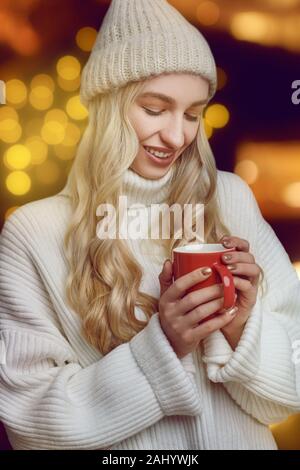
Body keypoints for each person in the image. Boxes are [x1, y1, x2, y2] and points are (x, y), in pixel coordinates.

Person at [0, 0, 300, 451]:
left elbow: (289, 389)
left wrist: (242, 327)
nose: (178, 136)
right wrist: (165, 344)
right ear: (108, 107)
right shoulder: (33, 231)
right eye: (156, 110)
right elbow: (32, 423)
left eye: (192, 114)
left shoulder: (232, 197)